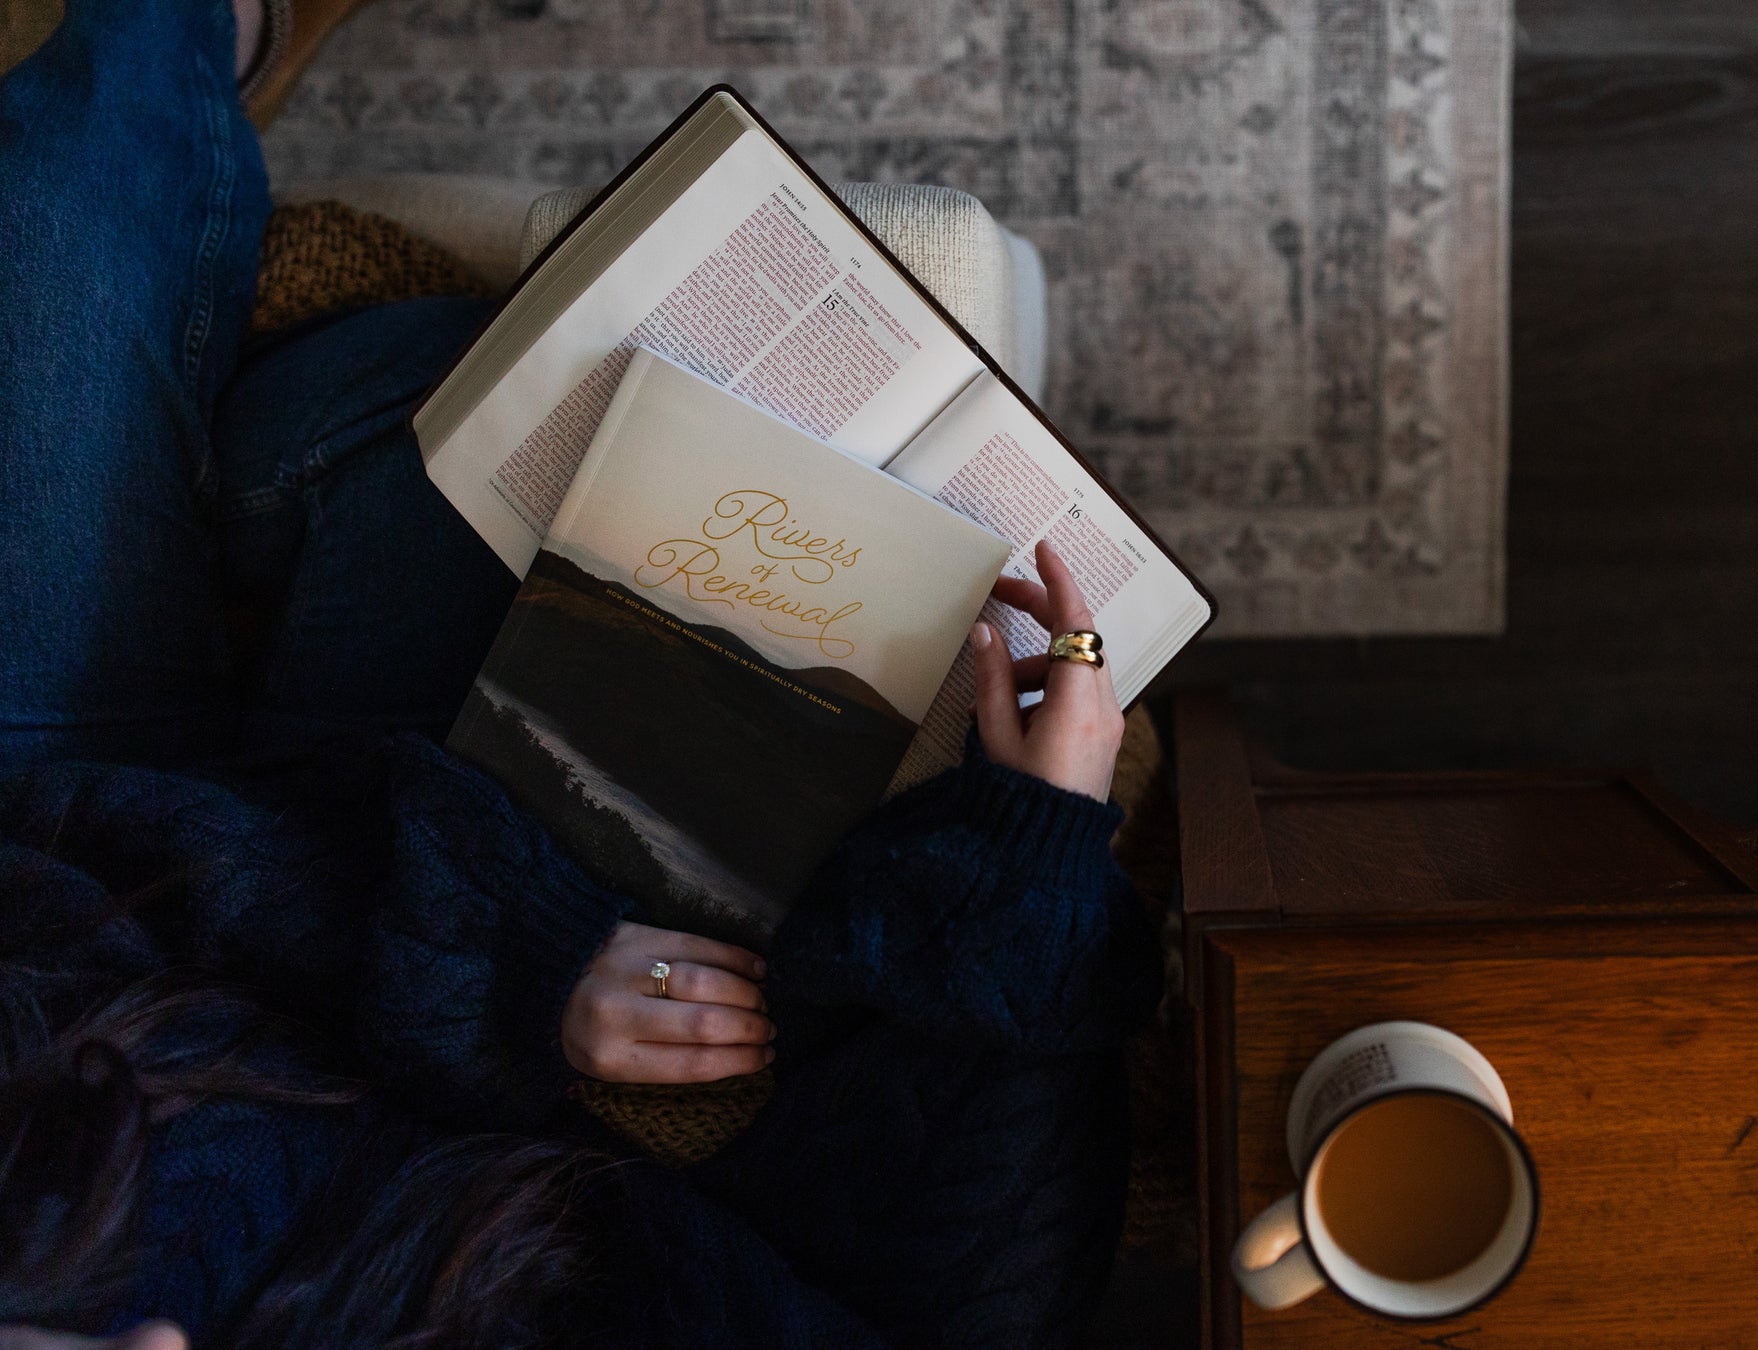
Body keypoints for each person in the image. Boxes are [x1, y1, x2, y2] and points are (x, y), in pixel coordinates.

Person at [0, 0, 1157, 1344]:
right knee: (561, 400)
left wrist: (485, 965)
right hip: (433, 972)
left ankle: (222, 44)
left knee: (63, 187)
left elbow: (69, 879)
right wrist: (1038, 848)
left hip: (89, 868)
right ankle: (204, 437)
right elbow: (957, 1302)